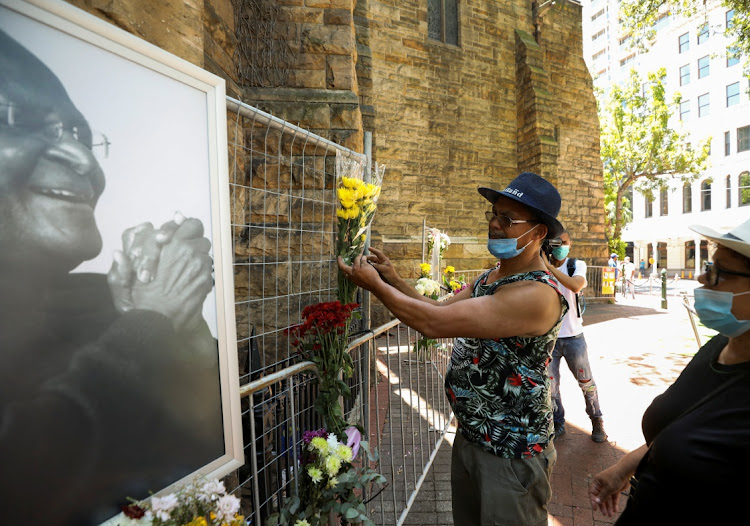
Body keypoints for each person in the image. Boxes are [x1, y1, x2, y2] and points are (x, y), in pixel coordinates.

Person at [0, 30, 223, 525]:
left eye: (81, 135)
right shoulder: (129, 318)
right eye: (22, 121)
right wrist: (152, 316)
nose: (83, 161)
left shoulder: (102, 306)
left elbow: (190, 440)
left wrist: (178, 323)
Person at [339, 172, 568, 526]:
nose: (494, 224)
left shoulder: (537, 294)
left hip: (510, 451)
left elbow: (433, 324)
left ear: (538, 233)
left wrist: (375, 287)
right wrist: (393, 278)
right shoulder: (492, 277)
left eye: (507, 219)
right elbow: (441, 310)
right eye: (494, 213)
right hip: (473, 435)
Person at [588, 218, 750, 523]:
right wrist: (626, 467)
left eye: (719, 272)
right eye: (707, 265)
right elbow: (683, 430)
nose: (702, 277)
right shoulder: (720, 345)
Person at [543, 230, 608, 442]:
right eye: (556, 242)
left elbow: (576, 285)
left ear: (570, 244)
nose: (560, 246)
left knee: (586, 381)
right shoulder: (539, 265)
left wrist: (550, 268)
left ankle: (596, 419)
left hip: (573, 337)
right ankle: (558, 422)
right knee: (551, 387)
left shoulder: (575, 265)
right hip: (549, 339)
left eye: (564, 242)